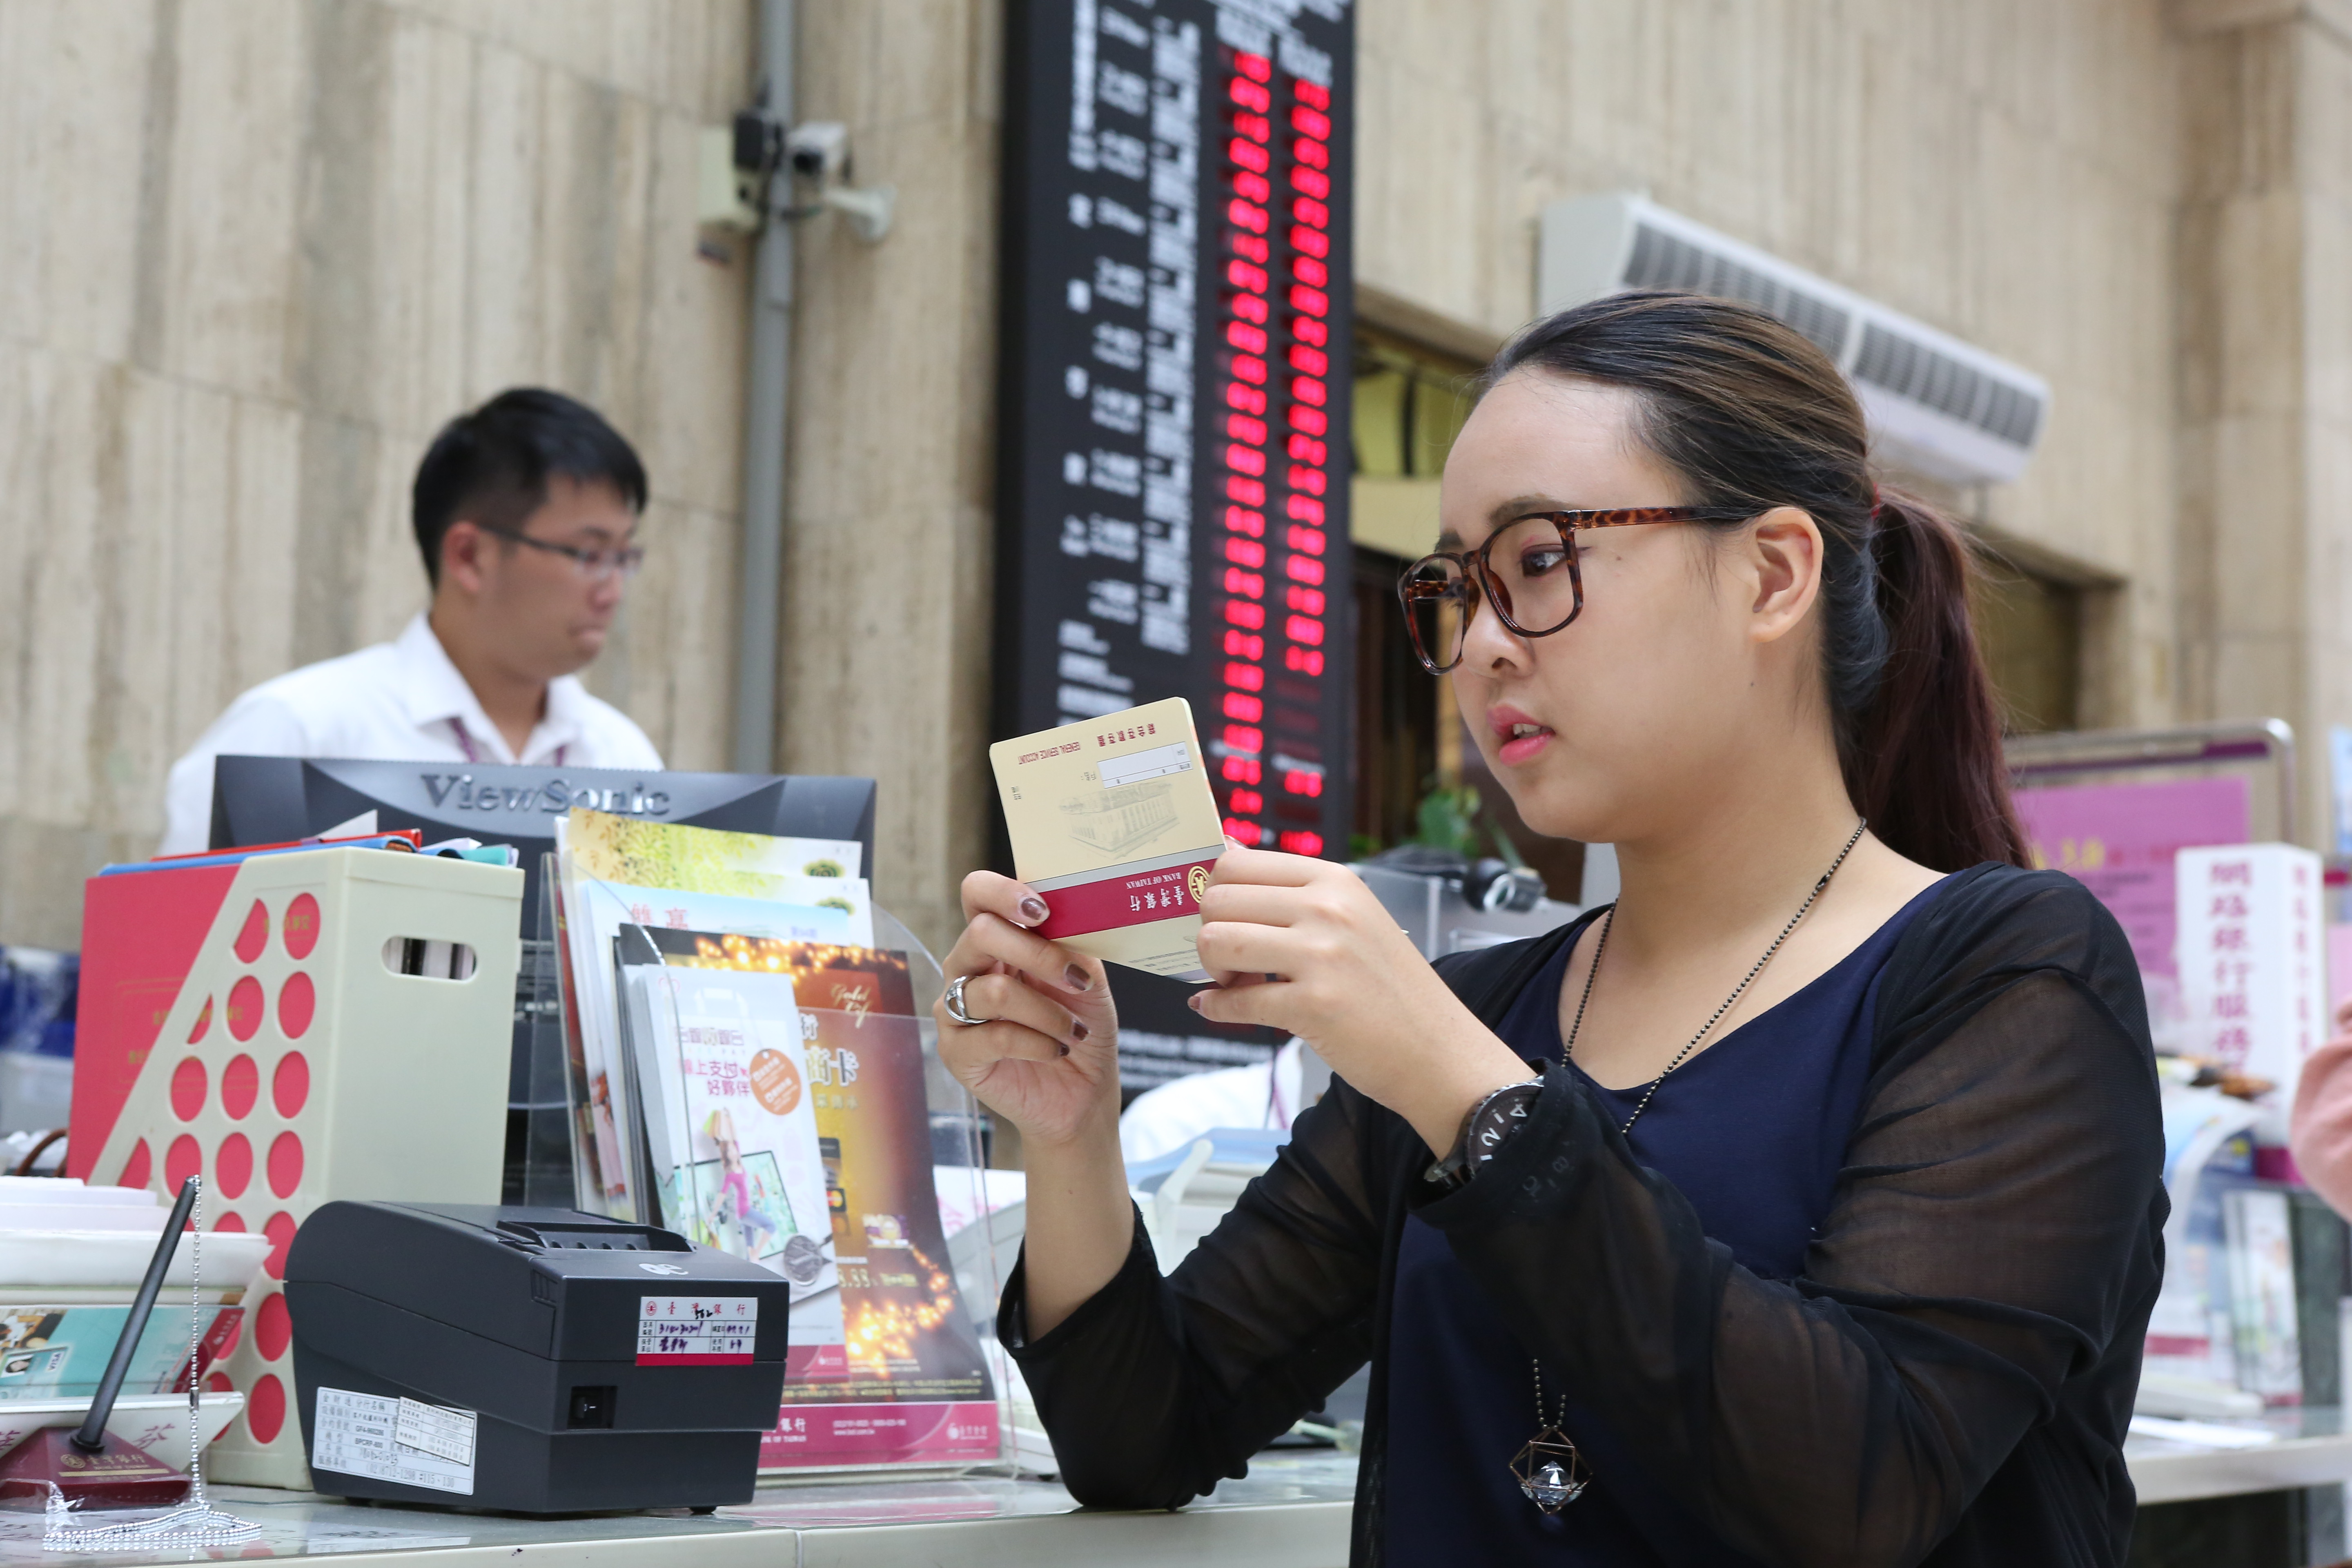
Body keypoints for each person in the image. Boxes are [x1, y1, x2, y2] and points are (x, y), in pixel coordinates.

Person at [934, 292, 2165, 1566]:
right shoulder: (1476, 1014)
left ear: (1773, 574)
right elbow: (1144, 1434)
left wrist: (1459, 1087)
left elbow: (1861, 1488)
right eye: (1456, 588)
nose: (1479, 647)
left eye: (1536, 561)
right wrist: (1069, 1132)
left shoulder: (2009, 970)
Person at [159, 388, 662, 854]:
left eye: (624, 557)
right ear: (469, 556)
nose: (613, 591)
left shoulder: (623, 757)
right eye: (590, 554)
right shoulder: (300, 731)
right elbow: (173, 918)